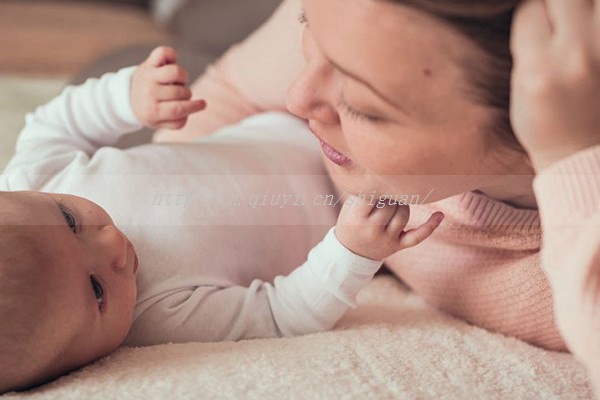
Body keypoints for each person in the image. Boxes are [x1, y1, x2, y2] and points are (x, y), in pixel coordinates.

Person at [154, 0, 600, 395]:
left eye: (363, 106)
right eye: (308, 23)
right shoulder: (355, 29)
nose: (299, 96)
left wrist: (569, 155)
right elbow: (230, 90)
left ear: (539, 117)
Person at [0, 46, 443, 393]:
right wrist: (352, 252)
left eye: (71, 221)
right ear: (74, 367)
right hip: (357, 203)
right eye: (96, 290)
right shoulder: (159, 318)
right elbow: (278, 314)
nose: (112, 245)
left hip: (287, 121)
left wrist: (127, 97)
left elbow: (56, 123)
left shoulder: (35, 176)